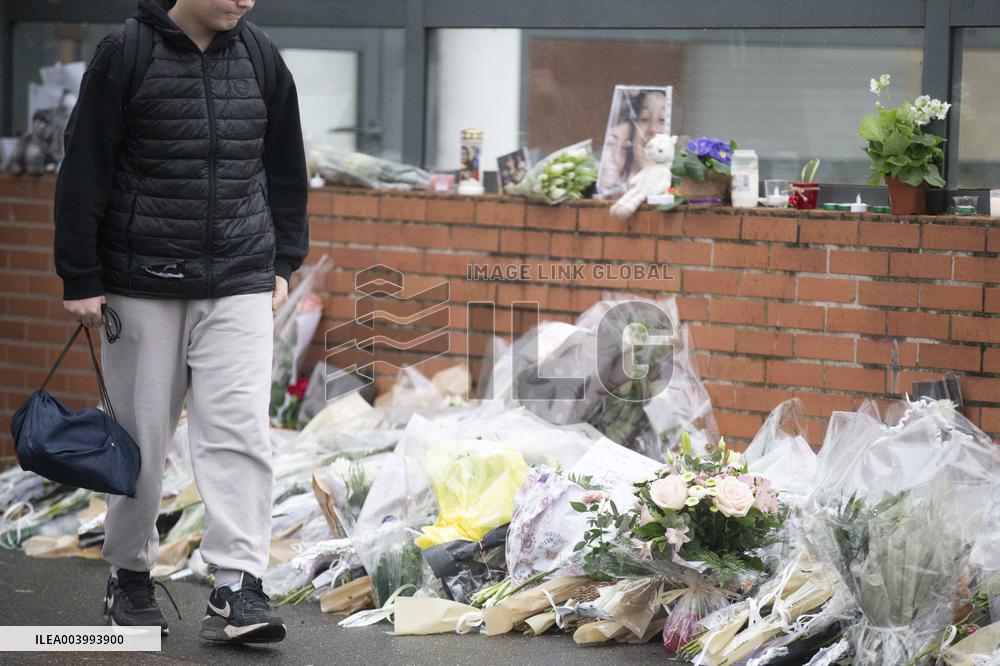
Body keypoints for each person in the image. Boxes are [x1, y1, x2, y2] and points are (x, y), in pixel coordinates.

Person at [53, 0, 308, 644]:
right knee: (138, 438)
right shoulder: (125, 53)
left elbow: (284, 164)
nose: (244, 0)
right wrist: (80, 275)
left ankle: (236, 588)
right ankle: (130, 577)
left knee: (240, 431)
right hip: (142, 282)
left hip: (240, 279)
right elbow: (84, 166)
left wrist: (283, 261)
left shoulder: (261, 57)